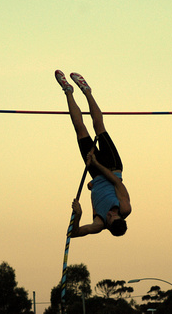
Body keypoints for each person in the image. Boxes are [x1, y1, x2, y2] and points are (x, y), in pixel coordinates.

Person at [55, 70, 132, 237]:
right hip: (112, 167)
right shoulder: (125, 207)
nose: (111, 214)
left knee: (80, 130)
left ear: (108, 226)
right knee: (98, 125)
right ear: (121, 216)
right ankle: (87, 90)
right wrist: (96, 164)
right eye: (114, 215)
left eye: (110, 218)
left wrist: (78, 215)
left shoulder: (99, 224)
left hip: (96, 173)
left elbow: (74, 233)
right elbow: (115, 183)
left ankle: (67, 91)